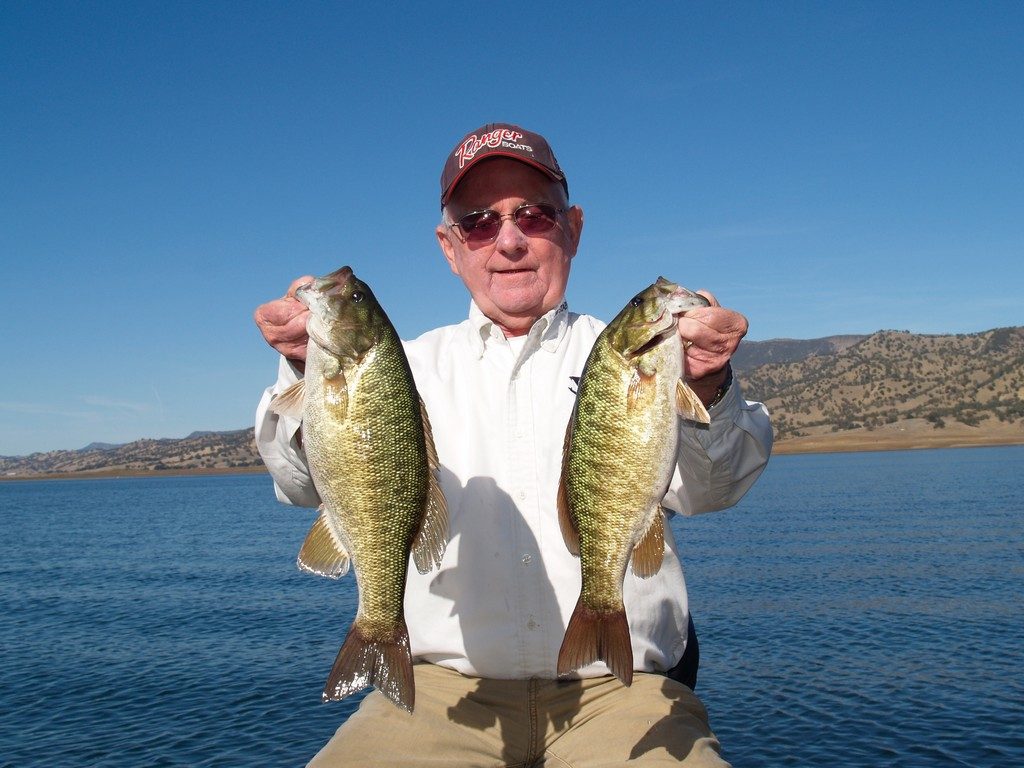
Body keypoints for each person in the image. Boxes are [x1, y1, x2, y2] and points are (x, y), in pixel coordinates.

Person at [254, 123, 773, 767]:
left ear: (573, 228)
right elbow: (301, 483)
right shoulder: (399, 366)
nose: (508, 240)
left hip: (624, 692)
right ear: (449, 247)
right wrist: (310, 369)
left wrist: (709, 384)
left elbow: (713, 489)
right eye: (477, 222)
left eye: (533, 214)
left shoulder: (629, 356)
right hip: (436, 696)